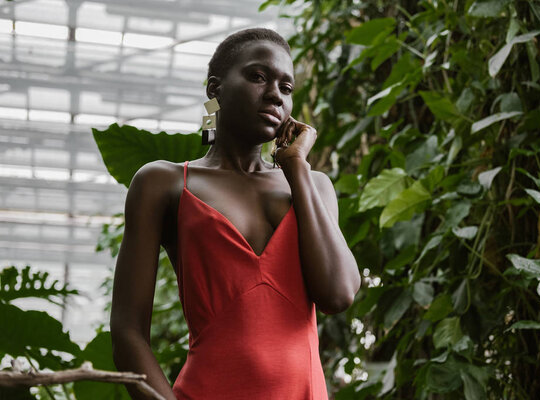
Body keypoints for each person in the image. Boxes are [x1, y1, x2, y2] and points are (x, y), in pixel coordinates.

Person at [110, 28, 361, 400]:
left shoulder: (312, 186)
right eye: (258, 77)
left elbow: (337, 295)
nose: (275, 93)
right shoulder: (163, 184)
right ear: (215, 89)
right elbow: (127, 329)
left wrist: (296, 168)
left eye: (287, 88)